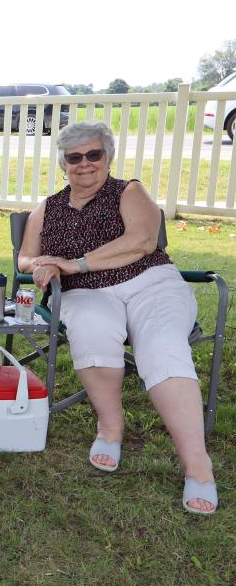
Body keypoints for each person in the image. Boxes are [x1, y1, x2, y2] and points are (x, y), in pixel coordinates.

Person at [18, 120, 217, 515]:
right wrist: (43, 265)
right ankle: (110, 428)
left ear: (107, 157)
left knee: (162, 345)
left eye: (94, 154)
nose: (85, 164)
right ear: (64, 164)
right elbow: (24, 256)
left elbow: (142, 240)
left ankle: (198, 467)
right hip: (88, 294)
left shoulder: (129, 191)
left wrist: (74, 263)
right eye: (75, 157)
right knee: (91, 328)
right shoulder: (49, 207)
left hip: (150, 284)